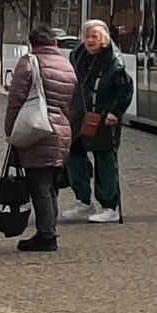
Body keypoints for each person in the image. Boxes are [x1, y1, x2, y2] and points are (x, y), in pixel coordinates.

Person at [3, 24, 74, 252]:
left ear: (33, 44)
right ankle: (49, 230)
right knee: (50, 185)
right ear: (54, 42)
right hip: (62, 131)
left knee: (39, 187)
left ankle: (46, 236)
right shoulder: (66, 64)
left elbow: (16, 99)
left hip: (38, 131)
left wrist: (11, 131)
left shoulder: (30, 63)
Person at [64, 19, 134, 225]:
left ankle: (109, 206)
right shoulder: (78, 56)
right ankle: (83, 201)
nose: (90, 40)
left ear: (103, 38)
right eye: (87, 36)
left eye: (94, 36)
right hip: (78, 116)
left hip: (104, 119)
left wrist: (115, 111)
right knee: (74, 154)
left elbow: (125, 89)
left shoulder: (114, 62)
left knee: (105, 160)